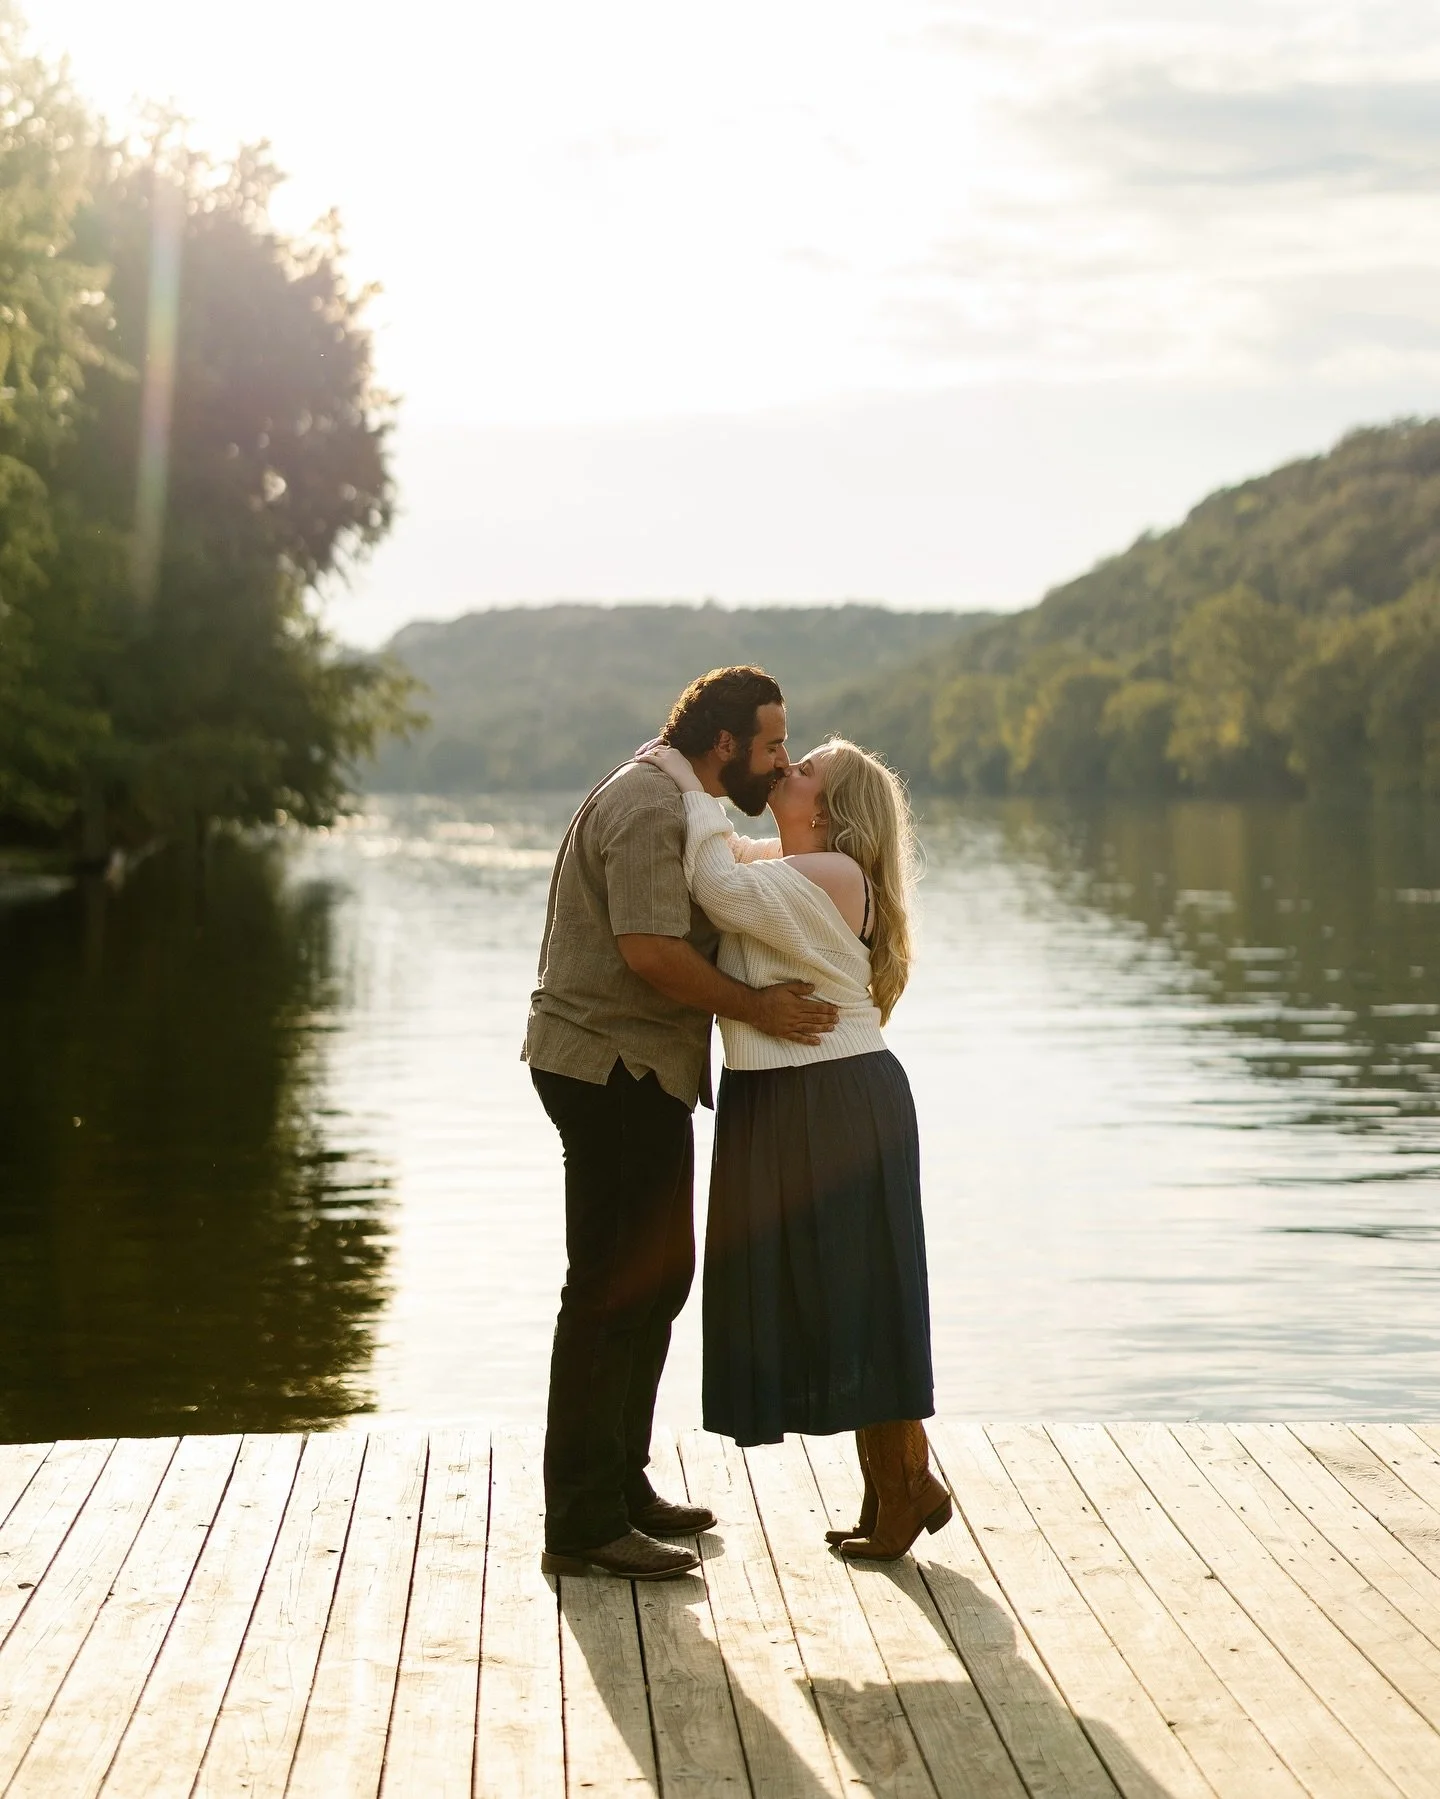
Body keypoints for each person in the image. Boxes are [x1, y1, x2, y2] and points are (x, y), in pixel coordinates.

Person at [525, 666, 840, 1581]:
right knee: (609, 1288)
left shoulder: (678, 798)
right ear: (726, 742)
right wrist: (758, 1006)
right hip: (606, 1065)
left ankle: (620, 1485)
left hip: (638, 1068)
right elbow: (651, 952)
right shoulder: (653, 808)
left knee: (657, 1279)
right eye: (774, 742)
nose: (782, 760)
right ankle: (581, 1523)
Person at [636, 734, 949, 1561]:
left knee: (863, 1294)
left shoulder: (838, 877)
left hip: (835, 1097)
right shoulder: (790, 866)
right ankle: (900, 1486)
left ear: (834, 810)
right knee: (840, 1293)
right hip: (787, 1093)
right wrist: (697, 786)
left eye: (806, 768)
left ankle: (904, 1488)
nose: (789, 769)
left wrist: (679, 773)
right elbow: (731, 857)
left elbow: (715, 879)